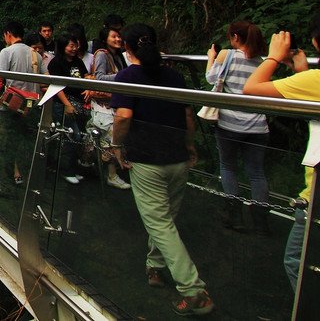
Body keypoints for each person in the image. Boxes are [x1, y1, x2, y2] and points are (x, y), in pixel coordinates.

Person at [111, 23, 213, 317]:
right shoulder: (174, 76)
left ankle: (193, 290)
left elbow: (123, 117)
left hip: (147, 163)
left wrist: (117, 147)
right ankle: (154, 267)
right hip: (178, 158)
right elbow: (187, 115)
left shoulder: (128, 76)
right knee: (166, 220)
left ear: (128, 49)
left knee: (160, 223)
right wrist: (190, 145)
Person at [243, 16, 320, 290]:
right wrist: (301, 75)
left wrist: (273, 58)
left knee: (296, 262)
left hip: (315, 196)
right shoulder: (311, 81)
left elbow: (251, 90)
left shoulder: (317, 80)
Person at [206, 20, 269, 232]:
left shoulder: (227, 55)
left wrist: (211, 58)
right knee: (257, 173)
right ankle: (261, 222)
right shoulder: (263, 61)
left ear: (235, 37)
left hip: (229, 124)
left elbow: (210, 78)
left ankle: (235, 216)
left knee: (228, 167)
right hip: (258, 126)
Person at [0, 21, 46, 186]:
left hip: (13, 107)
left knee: (7, 144)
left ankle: (4, 183)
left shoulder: (7, 52)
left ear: (8, 34)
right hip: (32, 106)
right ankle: (28, 180)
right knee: (27, 144)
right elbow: (45, 81)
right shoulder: (35, 54)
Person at [88, 26, 131, 189]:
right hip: (104, 105)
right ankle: (111, 175)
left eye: (119, 37)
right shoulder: (101, 54)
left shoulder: (117, 56)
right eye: (114, 36)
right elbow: (99, 77)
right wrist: (123, 76)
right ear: (105, 38)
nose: (118, 39)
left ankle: (111, 172)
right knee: (109, 138)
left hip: (116, 102)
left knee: (114, 137)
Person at [47, 35, 91, 185]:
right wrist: (66, 104)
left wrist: (89, 88)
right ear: (63, 46)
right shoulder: (56, 63)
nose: (74, 49)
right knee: (71, 136)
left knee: (78, 137)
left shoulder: (77, 61)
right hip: (63, 104)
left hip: (79, 103)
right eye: (71, 46)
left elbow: (85, 76)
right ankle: (66, 170)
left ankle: (73, 168)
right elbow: (56, 86)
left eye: (75, 46)